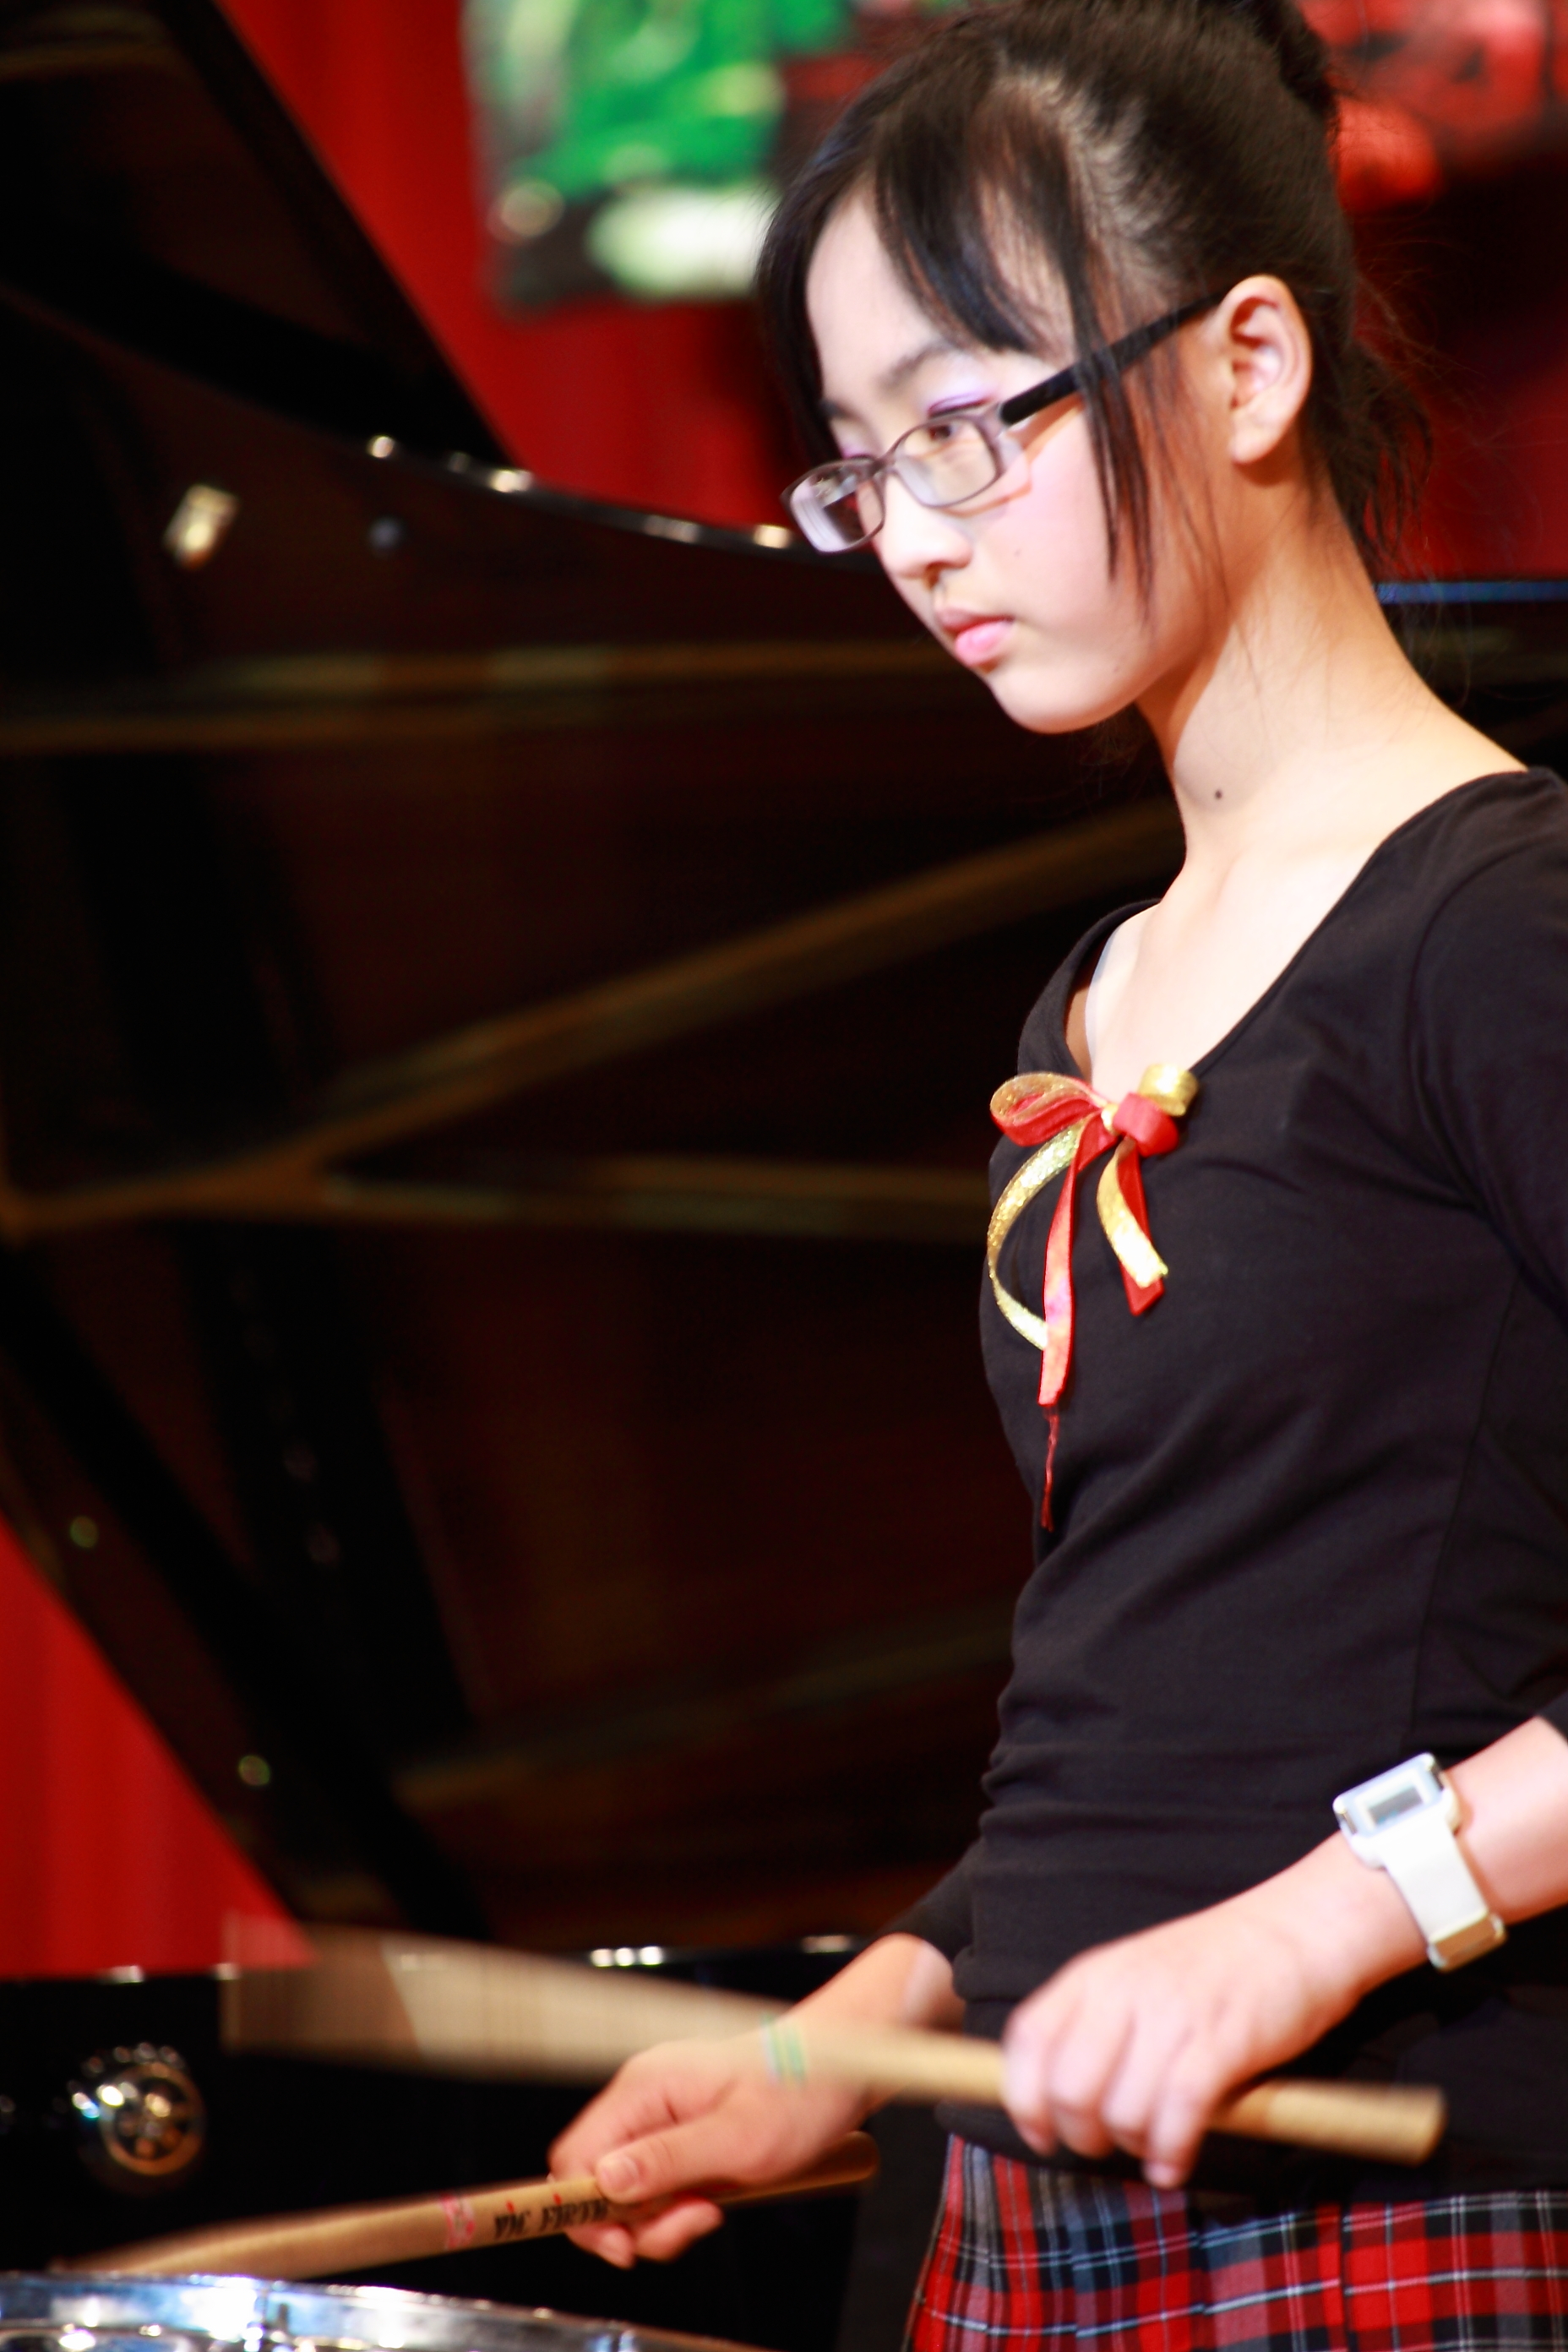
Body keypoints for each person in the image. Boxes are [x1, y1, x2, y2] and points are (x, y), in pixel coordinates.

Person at [550, 1, 1568, 2340]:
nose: (911, 537)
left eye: (965, 430)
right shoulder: (1091, 1012)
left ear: (1247, 364)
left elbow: (1293, 1845)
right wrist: (831, 2048)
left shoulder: (1503, 929)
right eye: (859, 470)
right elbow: (1162, 1705)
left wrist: (1319, 1927)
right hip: (1043, 2219)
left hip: (1386, 2217)